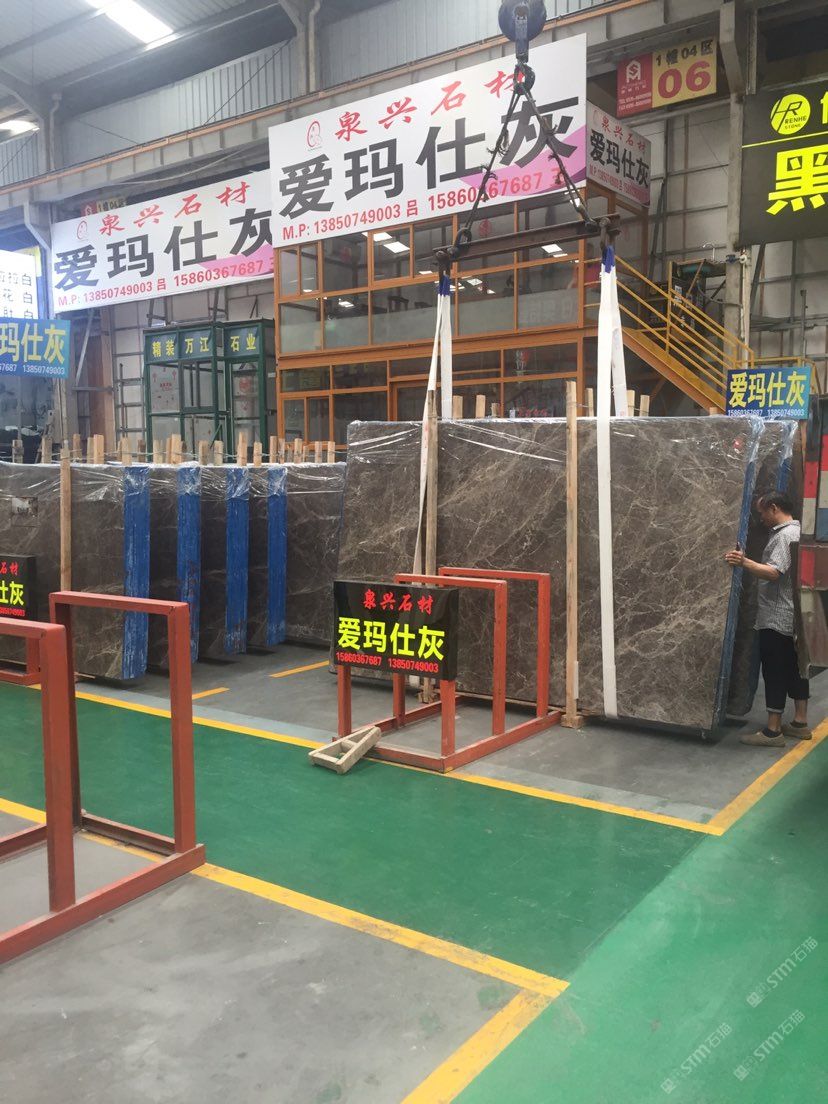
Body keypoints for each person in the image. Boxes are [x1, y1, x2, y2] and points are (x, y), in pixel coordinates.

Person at [725, 491, 810, 747]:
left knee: (774, 671)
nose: (760, 517)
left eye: (762, 512)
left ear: (774, 508)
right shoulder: (798, 531)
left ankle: (773, 731)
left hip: (777, 617)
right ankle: (800, 723)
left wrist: (743, 562)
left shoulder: (784, 536)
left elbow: (774, 572)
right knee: (797, 668)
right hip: (792, 614)